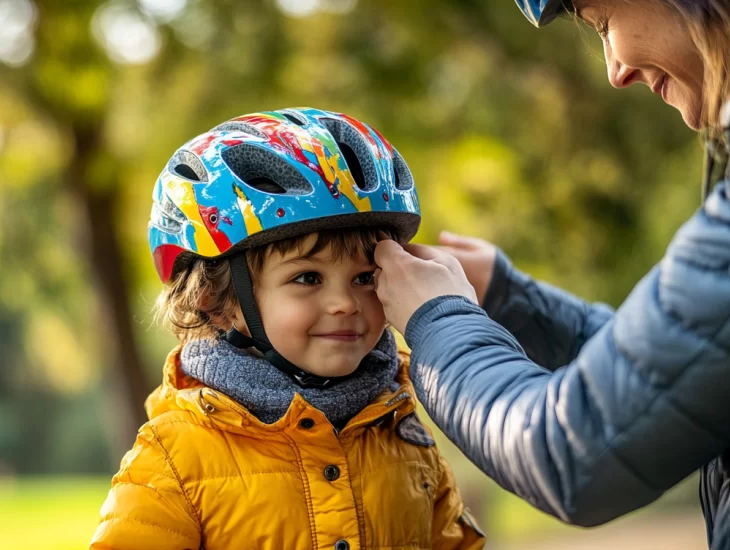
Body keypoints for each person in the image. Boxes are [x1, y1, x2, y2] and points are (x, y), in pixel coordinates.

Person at [372, 0, 730, 548]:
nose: (614, 69)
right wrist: (508, 300)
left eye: (603, 24)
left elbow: (573, 453)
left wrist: (437, 320)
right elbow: (678, 374)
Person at [88, 108, 485, 550]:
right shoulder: (174, 460)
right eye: (307, 278)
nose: (344, 303)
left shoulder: (401, 430)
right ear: (217, 302)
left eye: (365, 278)